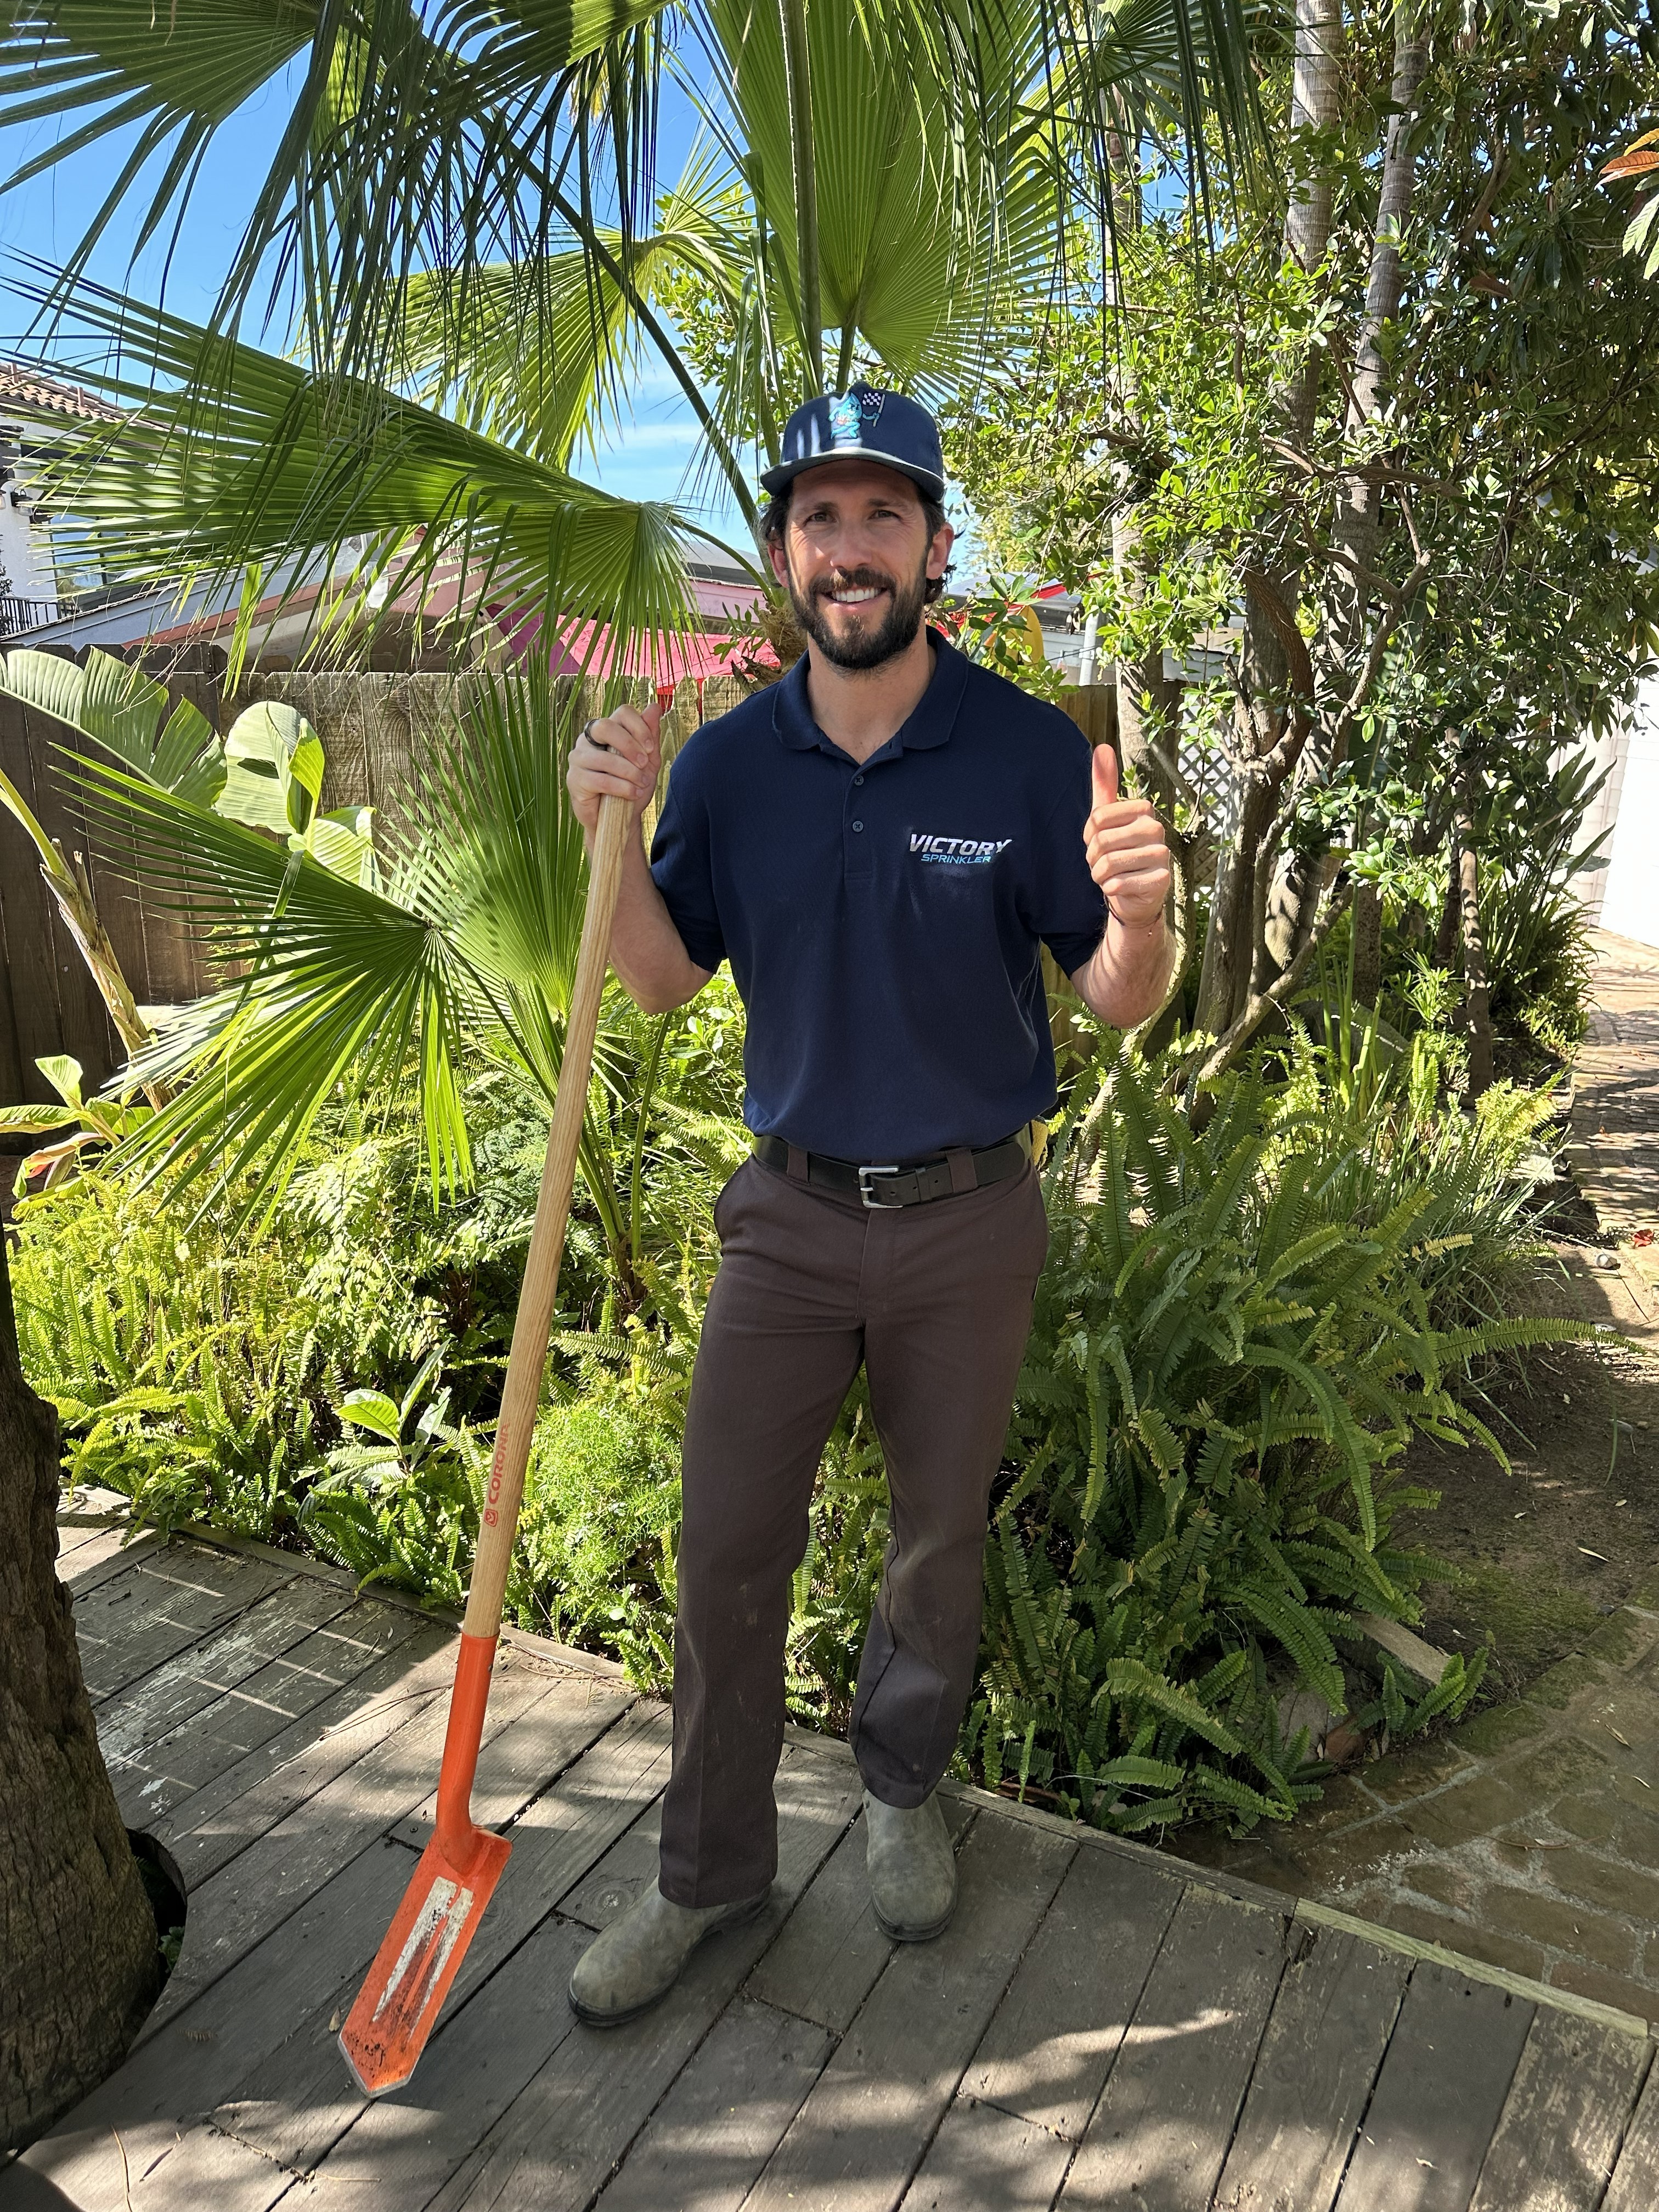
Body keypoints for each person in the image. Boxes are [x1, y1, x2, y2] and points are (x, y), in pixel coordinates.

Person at [563, 384, 1173, 2024]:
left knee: (932, 1543)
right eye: (821, 519)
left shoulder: (1031, 752)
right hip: (789, 1215)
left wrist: (1147, 919)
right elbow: (662, 986)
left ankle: (906, 1799)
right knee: (722, 1549)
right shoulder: (731, 770)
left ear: (934, 548)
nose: (852, 549)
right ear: (782, 554)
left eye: (883, 516)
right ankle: (709, 1872)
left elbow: (1114, 998)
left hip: (971, 1218)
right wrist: (606, 838)